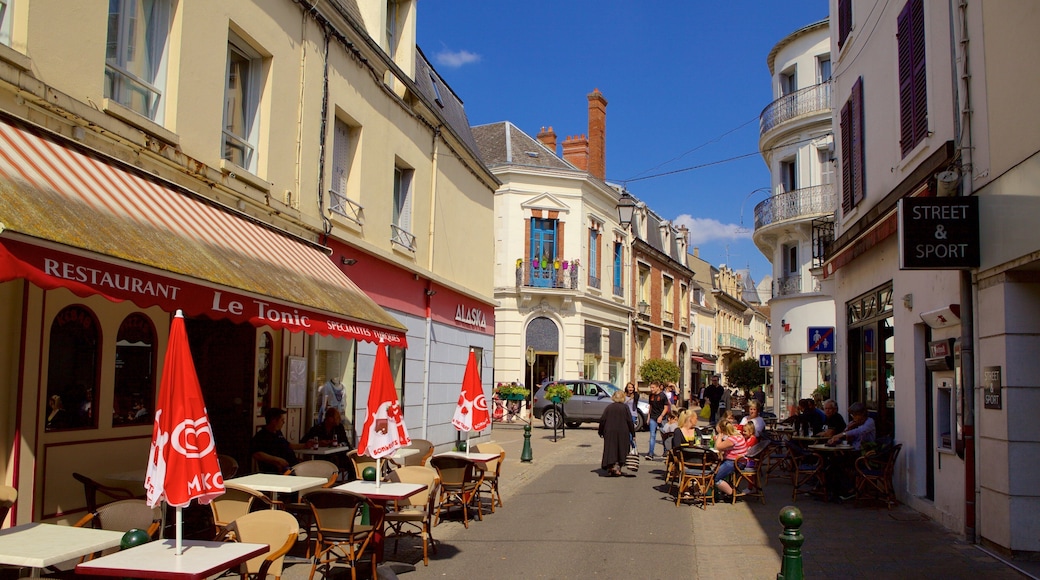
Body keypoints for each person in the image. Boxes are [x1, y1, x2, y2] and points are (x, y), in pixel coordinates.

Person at [251, 407, 304, 474]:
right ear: (274, 420)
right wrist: (277, 460)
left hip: (293, 466)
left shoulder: (278, 433)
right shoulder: (262, 436)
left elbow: (288, 445)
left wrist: (305, 445)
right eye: (282, 420)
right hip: (282, 470)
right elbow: (257, 454)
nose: (284, 422)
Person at [599, 391, 635, 477]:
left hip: (610, 431)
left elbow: (603, 420)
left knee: (611, 448)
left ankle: (611, 466)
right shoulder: (625, 408)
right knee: (622, 449)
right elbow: (630, 421)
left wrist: (600, 431)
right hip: (623, 431)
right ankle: (618, 466)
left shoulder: (609, 407)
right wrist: (633, 433)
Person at [712, 416, 748, 500]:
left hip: (735, 462)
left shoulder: (732, 439)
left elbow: (718, 447)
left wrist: (720, 436)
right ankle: (726, 490)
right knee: (716, 467)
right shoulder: (737, 435)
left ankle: (732, 493)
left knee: (715, 477)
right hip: (738, 461)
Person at [645, 382, 670, 461]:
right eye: (651, 387)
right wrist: (648, 417)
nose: (651, 389)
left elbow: (666, 407)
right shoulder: (651, 396)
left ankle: (666, 451)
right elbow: (650, 407)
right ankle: (650, 453)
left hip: (662, 418)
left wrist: (661, 416)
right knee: (652, 435)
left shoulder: (662, 396)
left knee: (664, 435)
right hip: (653, 417)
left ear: (657, 387)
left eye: (653, 387)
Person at [623, 382, 640, 451]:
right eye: (629, 387)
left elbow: (637, 397)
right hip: (625, 415)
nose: (631, 389)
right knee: (625, 432)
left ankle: (634, 447)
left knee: (630, 432)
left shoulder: (635, 395)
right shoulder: (623, 395)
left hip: (633, 415)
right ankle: (627, 448)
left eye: (632, 387)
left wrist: (635, 390)